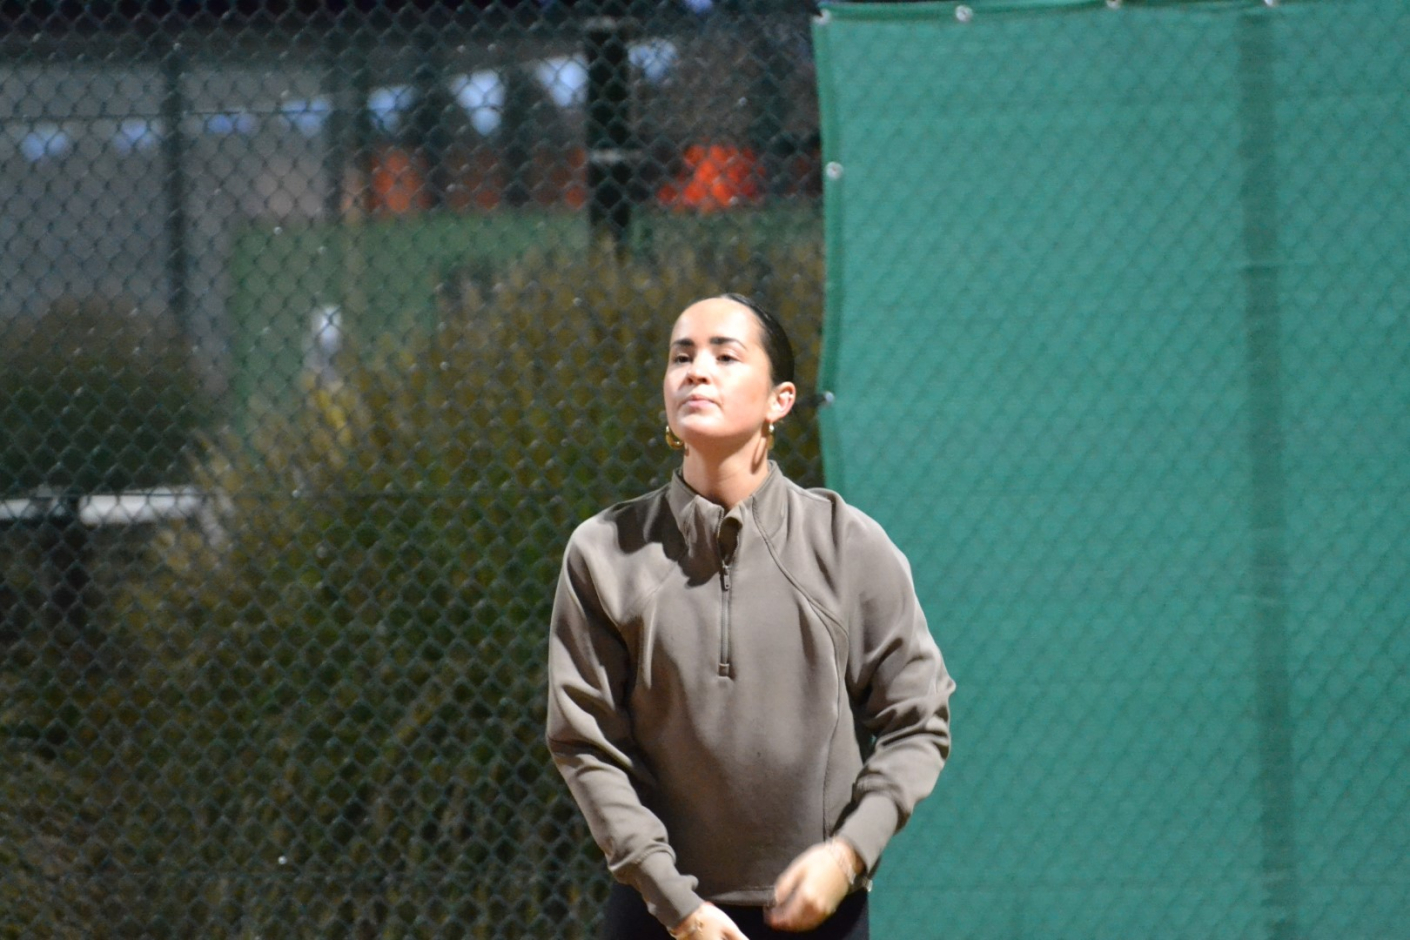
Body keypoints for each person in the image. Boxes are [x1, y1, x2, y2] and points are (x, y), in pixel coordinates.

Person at [546, 294, 954, 940]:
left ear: (780, 401)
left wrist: (847, 856)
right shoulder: (603, 552)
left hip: (820, 917)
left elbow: (919, 721)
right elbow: (585, 744)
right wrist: (675, 904)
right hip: (659, 917)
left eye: (725, 356)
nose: (696, 371)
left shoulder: (850, 546)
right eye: (681, 356)